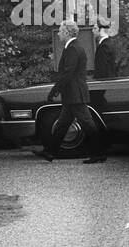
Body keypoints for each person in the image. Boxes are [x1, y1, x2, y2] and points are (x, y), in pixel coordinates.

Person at [40, 21, 106, 164]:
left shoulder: (72, 49)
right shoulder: (72, 47)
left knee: (88, 125)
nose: (58, 34)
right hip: (73, 94)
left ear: (67, 33)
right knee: (63, 124)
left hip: (75, 94)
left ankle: (99, 153)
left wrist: (54, 90)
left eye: (60, 31)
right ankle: (50, 152)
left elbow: (68, 73)